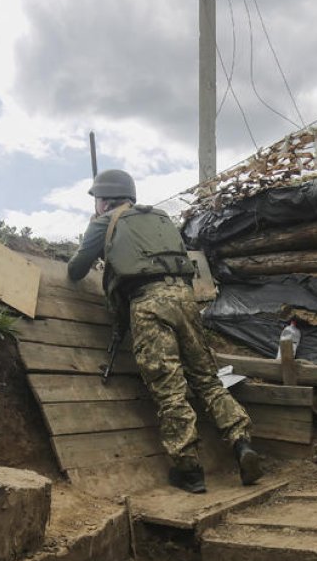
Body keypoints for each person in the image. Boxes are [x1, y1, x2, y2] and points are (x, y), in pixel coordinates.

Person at [68, 169, 261, 494]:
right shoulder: (158, 218)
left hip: (148, 304)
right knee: (207, 380)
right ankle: (242, 444)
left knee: (169, 389)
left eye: (97, 200)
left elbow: (75, 269)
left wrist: (98, 236)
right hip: (185, 302)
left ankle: (190, 471)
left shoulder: (104, 222)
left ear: (103, 201)